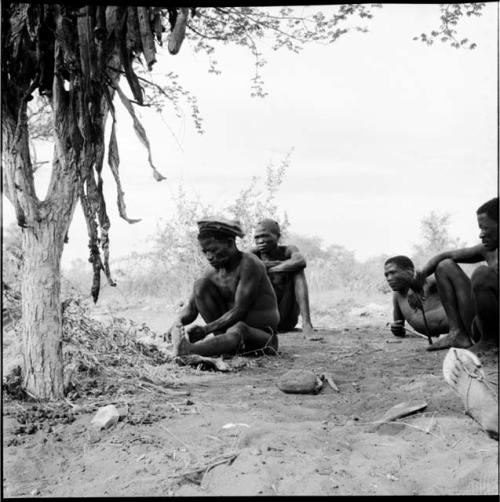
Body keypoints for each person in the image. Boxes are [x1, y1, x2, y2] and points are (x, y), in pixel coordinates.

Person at [169, 218, 280, 358]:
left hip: (262, 338)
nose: (209, 257)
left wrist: (205, 330)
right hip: (228, 334)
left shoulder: (249, 264)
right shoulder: (210, 271)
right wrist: (176, 323)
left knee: (239, 327)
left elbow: (240, 310)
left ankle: (188, 351)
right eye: (205, 252)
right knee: (200, 285)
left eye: (214, 250)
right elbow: (191, 309)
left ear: (229, 243)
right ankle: (222, 344)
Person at [415, 197, 498, 354]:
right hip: (481, 326)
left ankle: (491, 344)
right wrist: (417, 283)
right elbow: (446, 255)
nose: (481, 235)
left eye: (485, 228)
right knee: (444, 266)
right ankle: (457, 334)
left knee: (482, 273)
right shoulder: (489, 250)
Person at [251, 218, 315, 338]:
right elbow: (244, 266)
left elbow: (300, 261)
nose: (260, 241)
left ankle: (306, 324)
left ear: (278, 236)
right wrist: (281, 265)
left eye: (265, 236)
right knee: (249, 273)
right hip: (263, 320)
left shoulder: (288, 250)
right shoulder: (253, 254)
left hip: (287, 318)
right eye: (257, 237)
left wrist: (270, 268)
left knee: (297, 271)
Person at [384, 255, 449, 340]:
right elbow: (399, 326)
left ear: (409, 271)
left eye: (392, 273)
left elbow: (448, 273)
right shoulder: (397, 296)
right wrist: (396, 329)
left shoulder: (428, 281)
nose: (388, 278)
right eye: (386, 275)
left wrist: (414, 285)